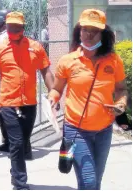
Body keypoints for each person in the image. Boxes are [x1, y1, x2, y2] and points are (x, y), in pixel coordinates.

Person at [48, 9, 128, 190]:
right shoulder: (67, 61)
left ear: (103, 34)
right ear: (79, 31)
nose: (89, 34)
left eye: (95, 30)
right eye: (85, 29)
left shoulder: (114, 61)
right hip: (76, 130)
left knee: (95, 181)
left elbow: (121, 89)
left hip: (104, 130)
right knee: (89, 180)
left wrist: (121, 104)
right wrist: (52, 99)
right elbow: (57, 89)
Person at [0, 12, 55, 190]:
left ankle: (15, 169)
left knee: (23, 142)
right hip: (8, 103)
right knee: (16, 142)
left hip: (29, 103)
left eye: (17, 26)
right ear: (6, 27)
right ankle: (19, 182)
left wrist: (53, 91)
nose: (13, 29)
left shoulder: (35, 47)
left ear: (23, 27)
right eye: (10, 26)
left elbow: (46, 71)